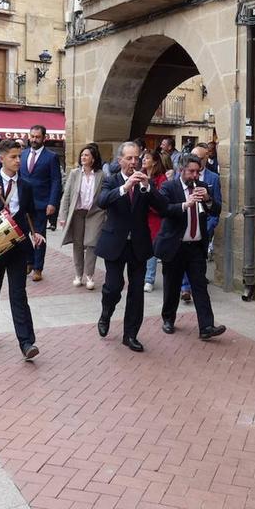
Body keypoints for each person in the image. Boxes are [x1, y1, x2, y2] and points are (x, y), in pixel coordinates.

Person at [0, 139, 45, 361]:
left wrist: (37, 232)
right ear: (1, 158)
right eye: (13, 157)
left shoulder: (26, 185)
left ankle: (26, 342)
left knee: (18, 293)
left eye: (19, 156)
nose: (18, 161)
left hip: (19, 245)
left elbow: (32, 212)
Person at [95, 141, 166, 352]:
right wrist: (125, 188)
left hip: (139, 244)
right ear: (120, 160)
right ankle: (106, 313)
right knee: (114, 287)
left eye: (137, 158)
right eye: (129, 158)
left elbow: (162, 207)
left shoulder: (147, 182)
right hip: (115, 243)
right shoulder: (112, 180)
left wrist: (147, 187)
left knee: (136, 292)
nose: (134, 162)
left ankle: (131, 335)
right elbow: (102, 201)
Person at [154, 153, 225, 340]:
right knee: (172, 286)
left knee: (200, 286)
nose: (195, 176)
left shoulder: (202, 187)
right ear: (181, 170)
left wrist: (208, 198)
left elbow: (216, 209)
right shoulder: (169, 187)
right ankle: (168, 319)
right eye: (191, 172)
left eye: (197, 172)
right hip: (175, 246)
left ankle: (206, 327)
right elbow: (164, 210)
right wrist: (185, 205)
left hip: (195, 247)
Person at [58, 144, 105, 290]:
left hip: (95, 213)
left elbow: (105, 196)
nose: (83, 157)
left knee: (92, 244)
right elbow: (67, 195)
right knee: (78, 244)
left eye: (86, 155)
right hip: (78, 212)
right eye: (82, 155)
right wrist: (63, 215)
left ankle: (89, 275)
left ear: (93, 158)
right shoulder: (74, 173)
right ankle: (78, 275)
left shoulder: (101, 175)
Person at [180, 144, 223, 301]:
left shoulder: (213, 178)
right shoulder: (178, 180)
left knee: (199, 264)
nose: (195, 160)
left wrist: (210, 224)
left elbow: (217, 206)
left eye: (199, 158)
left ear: (206, 158)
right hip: (185, 228)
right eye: (193, 156)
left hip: (205, 226)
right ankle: (185, 288)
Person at [20, 125, 62, 282]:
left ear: (44, 138)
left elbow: (56, 181)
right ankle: (29, 261)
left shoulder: (51, 157)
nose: (34, 139)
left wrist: (52, 202)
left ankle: (38, 268)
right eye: (32, 136)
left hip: (41, 203)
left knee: (39, 237)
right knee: (22, 235)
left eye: (37, 137)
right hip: (23, 204)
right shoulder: (22, 155)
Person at [143, 148, 168, 293]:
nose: (144, 160)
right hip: (141, 216)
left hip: (155, 218)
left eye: (147, 158)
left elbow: (161, 200)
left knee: (153, 248)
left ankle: (149, 279)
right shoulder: (139, 175)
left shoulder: (161, 179)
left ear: (154, 162)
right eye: (144, 158)